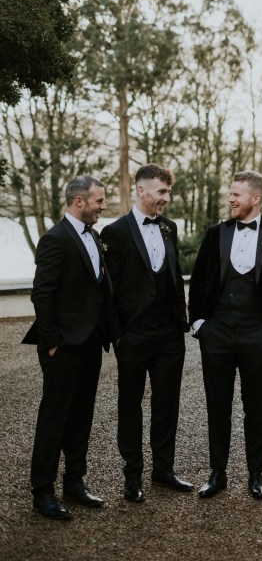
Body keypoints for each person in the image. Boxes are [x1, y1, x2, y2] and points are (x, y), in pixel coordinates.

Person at [189, 170, 262, 499]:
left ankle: (256, 473)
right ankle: (217, 472)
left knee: (256, 406)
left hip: (256, 334)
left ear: (256, 198)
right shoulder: (215, 233)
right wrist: (198, 324)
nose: (230, 198)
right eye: (230, 193)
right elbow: (196, 281)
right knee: (217, 405)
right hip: (217, 333)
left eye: (237, 194)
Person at [100, 163, 193, 503]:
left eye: (168, 192)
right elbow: (107, 290)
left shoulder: (169, 228)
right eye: (161, 192)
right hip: (133, 335)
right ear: (141, 191)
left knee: (167, 403)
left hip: (170, 335)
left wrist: (181, 321)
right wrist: (117, 335)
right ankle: (132, 474)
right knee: (130, 404)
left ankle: (164, 470)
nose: (166, 199)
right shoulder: (115, 232)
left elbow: (173, 275)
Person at [22, 175, 111, 520]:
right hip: (63, 347)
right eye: (98, 201)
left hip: (90, 344)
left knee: (81, 417)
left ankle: (75, 481)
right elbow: (41, 294)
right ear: (79, 202)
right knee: (53, 420)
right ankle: (42, 492)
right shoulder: (54, 239)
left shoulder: (95, 236)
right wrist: (53, 345)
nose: (103, 206)